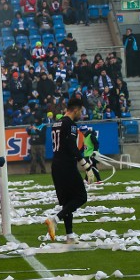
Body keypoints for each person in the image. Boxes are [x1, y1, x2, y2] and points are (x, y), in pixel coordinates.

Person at [44, 97, 95, 244]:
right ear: (76, 109)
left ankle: (70, 235)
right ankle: (55, 219)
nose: (81, 114)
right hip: (67, 165)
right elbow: (72, 147)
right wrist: (86, 166)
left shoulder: (56, 123)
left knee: (67, 202)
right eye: (81, 111)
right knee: (81, 197)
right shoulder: (70, 124)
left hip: (56, 165)